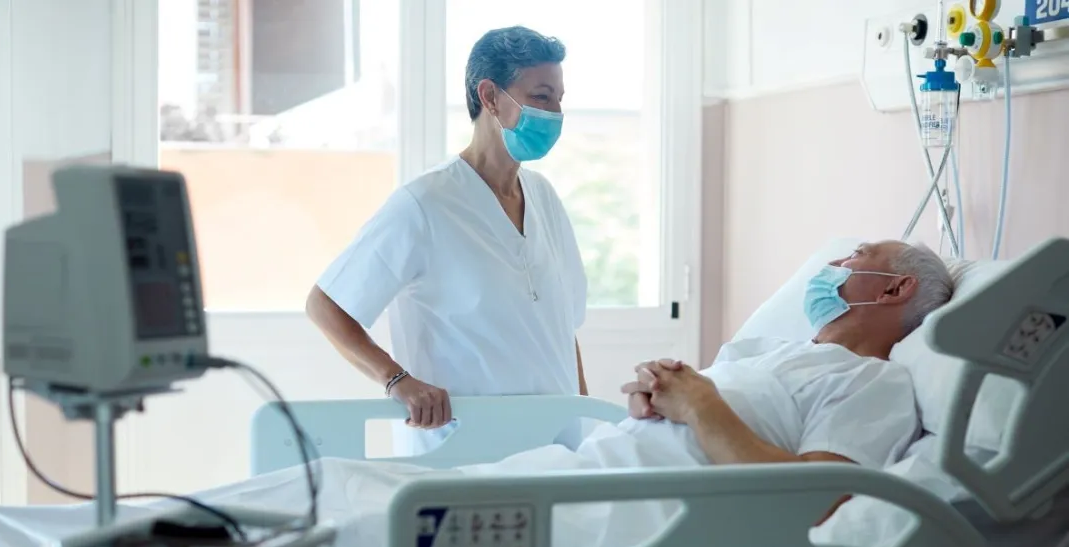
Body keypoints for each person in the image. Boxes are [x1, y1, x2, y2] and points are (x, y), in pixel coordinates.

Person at [306, 26, 588, 455]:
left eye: (560, 99)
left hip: (555, 450)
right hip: (460, 453)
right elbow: (325, 305)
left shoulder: (544, 198)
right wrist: (397, 381)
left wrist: (585, 421)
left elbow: (563, 331)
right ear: (491, 97)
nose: (555, 113)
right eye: (542, 97)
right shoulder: (425, 204)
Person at [621, 240, 954, 470]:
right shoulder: (763, 350)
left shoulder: (873, 382)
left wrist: (698, 405)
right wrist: (657, 397)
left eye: (856, 254)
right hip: (598, 467)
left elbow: (813, 500)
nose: (832, 264)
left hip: (622, 508)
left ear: (894, 289)